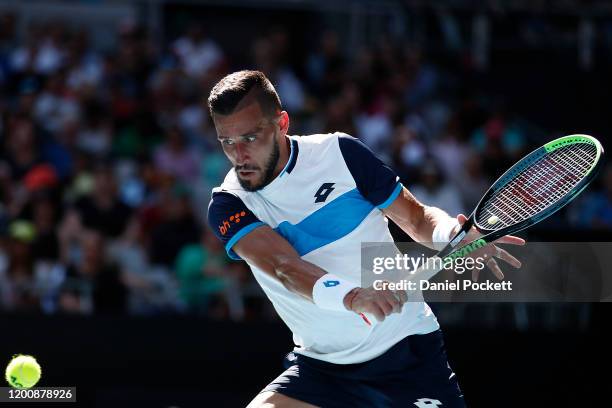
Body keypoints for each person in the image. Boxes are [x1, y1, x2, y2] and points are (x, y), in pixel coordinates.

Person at [206, 70, 524, 408]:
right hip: (321, 371)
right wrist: (354, 297)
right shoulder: (229, 203)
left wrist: (454, 235)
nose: (238, 155)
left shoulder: (340, 154)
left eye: (250, 138)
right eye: (227, 142)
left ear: (281, 123)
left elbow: (416, 218)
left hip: (405, 353)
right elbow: (285, 266)